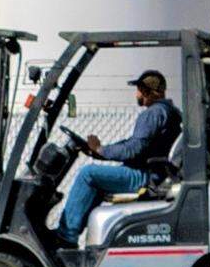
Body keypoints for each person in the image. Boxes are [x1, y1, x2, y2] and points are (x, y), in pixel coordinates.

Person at [53, 69, 182, 248]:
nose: (136, 94)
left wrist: (100, 149)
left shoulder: (153, 113)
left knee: (87, 174)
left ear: (146, 91)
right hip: (152, 172)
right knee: (96, 180)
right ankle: (72, 234)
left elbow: (133, 149)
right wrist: (100, 151)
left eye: (138, 89)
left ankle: (66, 236)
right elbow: (133, 143)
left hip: (144, 175)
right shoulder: (168, 112)